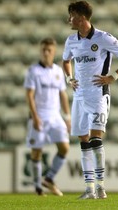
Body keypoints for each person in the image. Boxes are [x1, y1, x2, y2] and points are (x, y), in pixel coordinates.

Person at [62, 0, 118, 199]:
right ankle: (89, 189)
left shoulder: (103, 38)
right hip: (79, 95)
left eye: (72, 15)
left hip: (98, 95)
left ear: (82, 17)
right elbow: (66, 60)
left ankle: (101, 187)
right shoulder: (71, 41)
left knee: (95, 139)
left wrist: (113, 77)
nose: (69, 19)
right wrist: (69, 78)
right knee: (83, 140)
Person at [23, 37, 71, 196]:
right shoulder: (33, 71)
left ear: (54, 52)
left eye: (48, 50)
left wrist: (67, 116)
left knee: (64, 148)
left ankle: (49, 179)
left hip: (55, 115)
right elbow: (29, 96)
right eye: (43, 50)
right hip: (40, 115)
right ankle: (38, 187)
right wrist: (35, 117)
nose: (45, 53)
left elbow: (62, 94)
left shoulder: (58, 71)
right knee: (36, 152)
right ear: (40, 51)